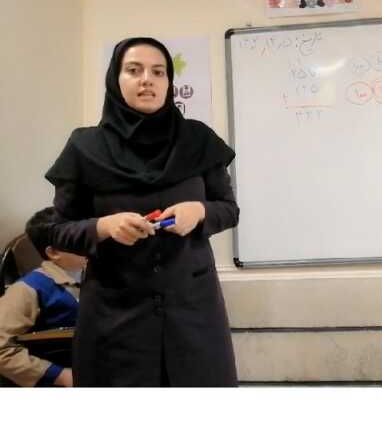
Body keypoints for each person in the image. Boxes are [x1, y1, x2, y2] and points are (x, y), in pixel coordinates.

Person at [44, 37, 239, 386]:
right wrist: (104, 226)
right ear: (115, 79)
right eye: (134, 70)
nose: (147, 79)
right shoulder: (85, 147)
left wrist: (199, 212)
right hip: (114, 317)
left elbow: (229, 210)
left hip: (193, 313)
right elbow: (57, 230)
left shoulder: (197, 140)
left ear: (169, 82)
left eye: (158, 72)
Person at [0, 207, 86, 387]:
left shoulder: (98, 278)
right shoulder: (27, 289)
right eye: (80, 239)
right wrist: (60, 375)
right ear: (53, 253)